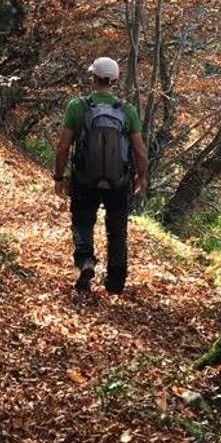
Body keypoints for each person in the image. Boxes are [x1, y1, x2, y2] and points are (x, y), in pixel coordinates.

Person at [52, 56, 148, 295]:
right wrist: (141, 177)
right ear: (114, 80)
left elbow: (63, 146)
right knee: (117, 230)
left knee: (83, 221)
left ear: (93, 77)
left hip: (84, 178)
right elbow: (140, 151)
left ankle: (85, 261)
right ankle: (116, 282)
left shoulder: (78, 106)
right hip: (118, 181)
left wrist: (59, 176)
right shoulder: (127, 110)